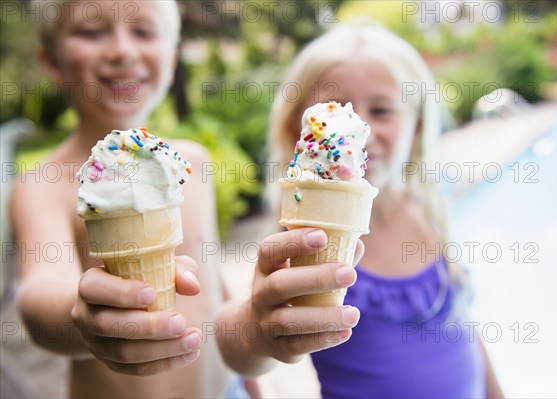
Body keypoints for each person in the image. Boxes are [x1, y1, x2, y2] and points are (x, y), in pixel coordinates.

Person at [11, 1, 362, 397]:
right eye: (92, 32)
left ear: (172, 56)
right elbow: (39, 297)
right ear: (51, 60)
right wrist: (81, 319)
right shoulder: (42, 183)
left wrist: (253, 362)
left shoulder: (191, 163)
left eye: (144, 32)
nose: (122, 50)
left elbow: (213, 294)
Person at [265, 22, 505, 398]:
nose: (360, 132)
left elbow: (464, 325)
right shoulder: (304, 242)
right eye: (331, 117)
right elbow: (257, 347)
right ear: (294, 130)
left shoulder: (431, 207)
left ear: (418, 124)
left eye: (381, 110)